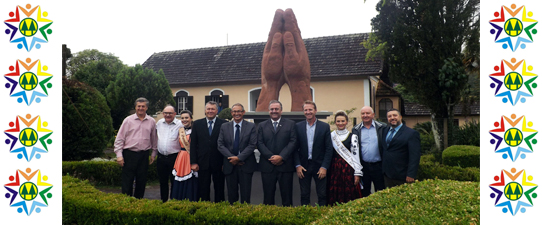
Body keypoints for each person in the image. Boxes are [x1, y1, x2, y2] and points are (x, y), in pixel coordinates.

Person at [114, 97, 157, 199]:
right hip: (129, 154)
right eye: (139, 106)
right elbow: (119, 138)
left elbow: (154, 139)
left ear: (146, 107)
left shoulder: (151, 121)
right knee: (127, 180)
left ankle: (138, 203)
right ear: (135, 107)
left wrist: (153, 153)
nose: (140, 108)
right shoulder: (128, 120)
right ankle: (126, 202)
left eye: (143, 106)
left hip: (144, 154)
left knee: (141, 181)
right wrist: (119, 155)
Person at [257, 100, 297, 206]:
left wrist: (282, 157)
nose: (274, 111)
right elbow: (259, 143)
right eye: (272, 109)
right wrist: (271, 157)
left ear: (281, 111)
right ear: (268, 111)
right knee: (268, 197)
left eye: (276, 109)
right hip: (267, 166)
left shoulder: (291, 124)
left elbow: (293, 142)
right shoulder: (261, 125)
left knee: (287, 197)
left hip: (285, 165)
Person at [294, 100, 333, 206]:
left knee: (322, 195)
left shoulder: (324, 127)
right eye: (305, 110)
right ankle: (306, 217)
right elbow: (295, 148)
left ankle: (322, 218)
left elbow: (329, 149)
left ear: (315, 110)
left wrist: (324, 167)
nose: (308, 112)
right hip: (303, 167)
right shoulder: (298, 127)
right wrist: (297, 165)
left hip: (320, 166)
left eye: (310, 109)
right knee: (304, 195)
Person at [217, 103, 257, 204]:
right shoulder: (224, 126)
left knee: (246, 195)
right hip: (230, 165)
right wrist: (232, 158)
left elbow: (252, 145)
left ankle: (245, 216)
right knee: (231, 195)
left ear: (243, 112)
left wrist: (239, 158)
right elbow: (220, 145)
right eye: (234, 111)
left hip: (245, 165)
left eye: (239, 111)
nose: (236, 113)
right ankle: (233, 216)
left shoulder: (251, 126)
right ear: (231, 113)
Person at [190, 101, 226, 202]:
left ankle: (219, 210)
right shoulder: (197, 124)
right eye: (208, 109)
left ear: (217, 110)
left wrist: (225, 162)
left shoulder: (224, 124)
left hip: (219, 163)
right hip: (202, 162)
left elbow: (227, 144)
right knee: (203, 189)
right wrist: (193, 162)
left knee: (219, 189)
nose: (210, 111)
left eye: (213, 109)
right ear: (205, 111)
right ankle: (204, 210)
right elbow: (193, 145)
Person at [327, 111, 363, 205]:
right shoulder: (331, 136)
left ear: (347, 121)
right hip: (334, 168)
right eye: (338, 121)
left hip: (348, 168)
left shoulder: (353, 137)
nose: (340, 123)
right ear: (335, 122)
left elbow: (356, 155)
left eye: (343, 121)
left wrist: (357, 172)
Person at [379, 108, 421, 188]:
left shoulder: (411, 133)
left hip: (402, 175)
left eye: (395, 115)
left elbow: (415, 156)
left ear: (400, 117)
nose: (392, 118)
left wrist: (411, 174)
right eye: (389, 116)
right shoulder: (385, 131)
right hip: (387, 174)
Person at [351, 106, 386, 197]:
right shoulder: (355, 129)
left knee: (381, 192)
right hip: (364, 166)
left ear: (373, 115)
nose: (365, 115)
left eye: (368, 113)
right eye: (363, 113)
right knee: (364, 193)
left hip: (379, 166)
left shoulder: (382, 127)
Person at [155, 105, 183, 202]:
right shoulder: (159, 123)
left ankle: (173, 201)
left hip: (174, 157)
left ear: (175, 114)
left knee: (174, 181)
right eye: (165, 113)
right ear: (163, 114)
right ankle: (164, 201)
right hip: (161, 157)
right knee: (163, 181)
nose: (167, 115)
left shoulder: (180, 124)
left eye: (170, 113)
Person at [171, 110, 198, 201]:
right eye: (182, 118)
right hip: (181, 157)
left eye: (186, 117)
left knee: (191, 179)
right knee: (179, 179)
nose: (184, 120)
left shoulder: (195, 130)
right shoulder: (180, 131)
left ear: (191, 118)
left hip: (191, 156)